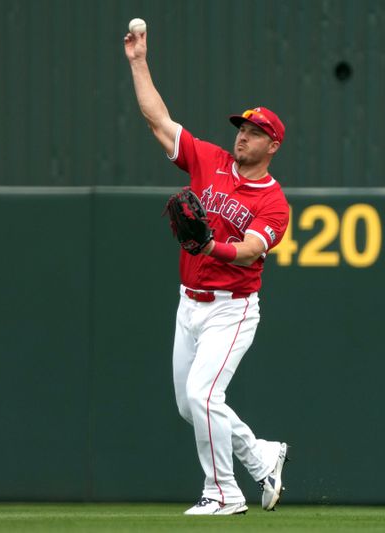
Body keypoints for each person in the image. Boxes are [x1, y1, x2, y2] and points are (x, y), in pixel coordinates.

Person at [124, 25, 290, 516]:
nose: (243, 134)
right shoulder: (210, 161)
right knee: (191, 405)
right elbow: (158, 120)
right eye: (242, 127)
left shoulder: (276, 203)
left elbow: (249, 250)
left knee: (202, 395)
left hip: (231, 311)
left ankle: (224, 493)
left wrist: (211, 244)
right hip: (188, 303)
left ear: (273, 146)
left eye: (256, 131)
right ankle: (260, 454)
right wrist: (138, 61)